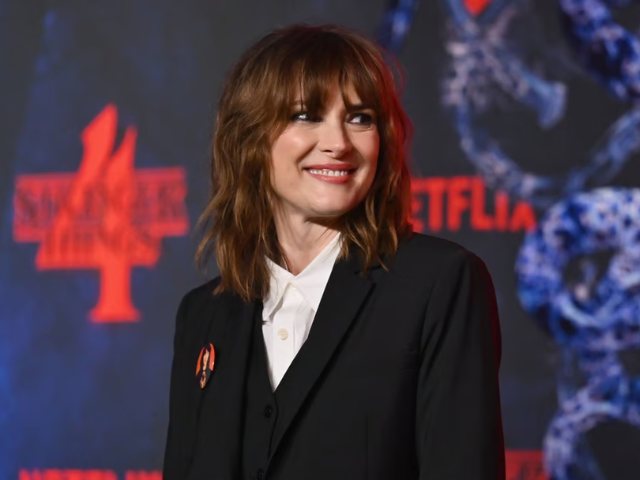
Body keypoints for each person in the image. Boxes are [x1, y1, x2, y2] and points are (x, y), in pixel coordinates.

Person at [163, 23, 505, 480]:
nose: (339, 144)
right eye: (306, 115)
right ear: (250, 139)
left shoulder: (440, 284)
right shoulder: (202, 315)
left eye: (360, 118)